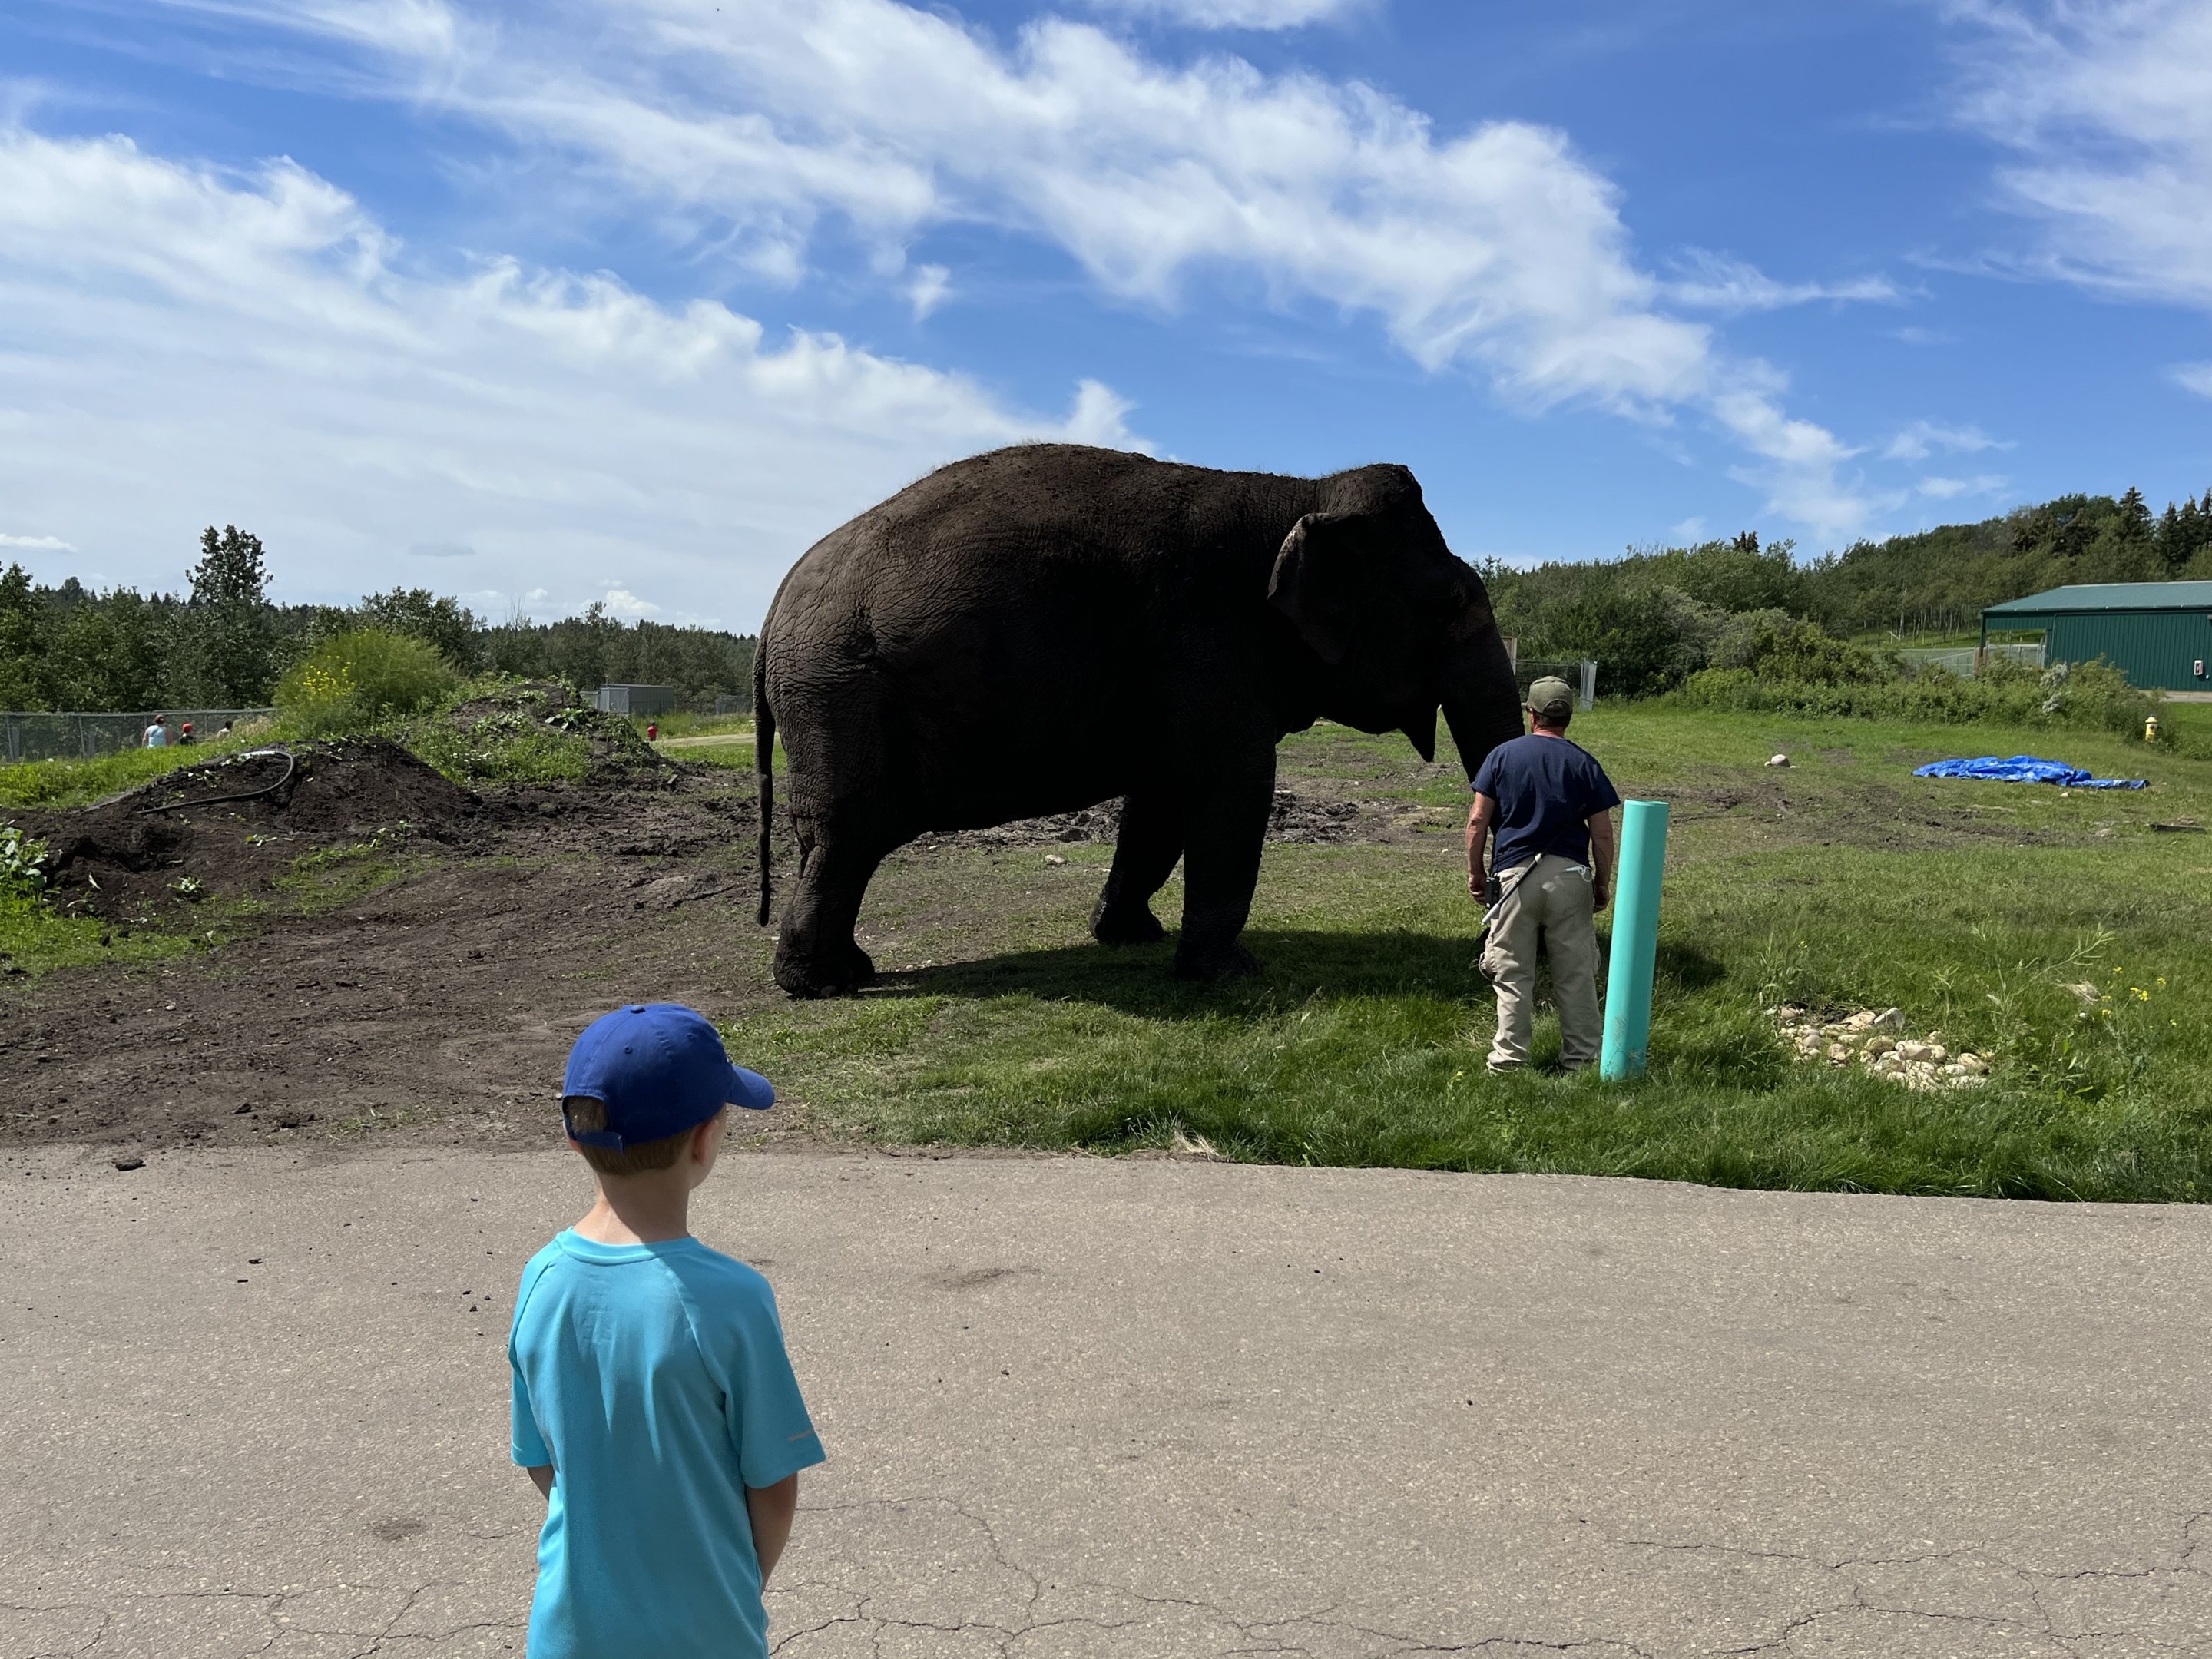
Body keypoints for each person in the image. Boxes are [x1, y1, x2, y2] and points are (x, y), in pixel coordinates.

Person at [508, 1003, 825, 1659]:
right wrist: (735, 1585)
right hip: (703, 1632)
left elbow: (542, 1461)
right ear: (705, 1140)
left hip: (570, 1633)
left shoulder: (540, 1278)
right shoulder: (731, 1298)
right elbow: (773, 1483)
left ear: (574, 1136)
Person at [1465, 677, 1621, 1074]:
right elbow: (1602, 833)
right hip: (1570, 876)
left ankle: (1509, 1062)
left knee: (1513, 973)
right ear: (1567, 717)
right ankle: (1582, 1061)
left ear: (1530, 714)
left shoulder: (1502, 755)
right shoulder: (1585, 762)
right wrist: (1602, 882)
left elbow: (1477, 821)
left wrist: (1476, 872)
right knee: (1576, 974)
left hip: (1514, 876)